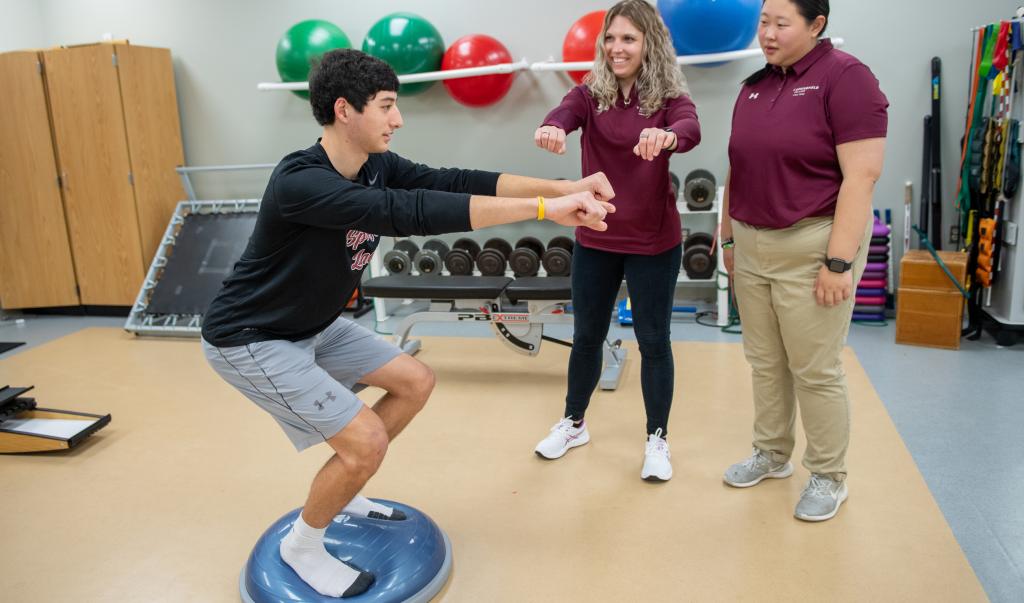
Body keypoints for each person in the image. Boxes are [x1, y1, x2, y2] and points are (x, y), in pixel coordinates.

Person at [201, 49, 615, 598]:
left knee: (415, 380)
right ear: (345, 110)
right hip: (252, 337)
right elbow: (412, 213)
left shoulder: (374, 164)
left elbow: (452, 179)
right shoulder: (300, 182)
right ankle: (301, 545)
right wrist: (544, 213)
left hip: (313, 326)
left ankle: (345, 487)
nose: (398, 120)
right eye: (387, 107)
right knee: (365, 441)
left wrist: (562, 188)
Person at [719, 0, 888, 521]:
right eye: (763, 22)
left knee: (814, 369)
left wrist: (839, 262)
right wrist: (725, 239)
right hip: (750, 245)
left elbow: (861, 176)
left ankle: (828, 475)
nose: (767, 33)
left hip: (811, 245)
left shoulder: (847, 78)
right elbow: (737, 167)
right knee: (765, 362)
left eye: (780, 23)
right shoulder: (756, 84)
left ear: (817, 25)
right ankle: (772, 453)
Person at [531, 0, 700, 481]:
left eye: (628, 38)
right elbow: (565, 111)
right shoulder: (590, 92)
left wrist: (667, 138)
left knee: (653, 341)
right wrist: (552, 126)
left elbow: (690, 126)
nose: (617, 47)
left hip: (653, 241)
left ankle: (657, 439)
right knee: (586, 337)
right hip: (598, 236)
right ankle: (574, 422)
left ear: (648, 42)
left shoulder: (668, 96)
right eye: (610, 38)